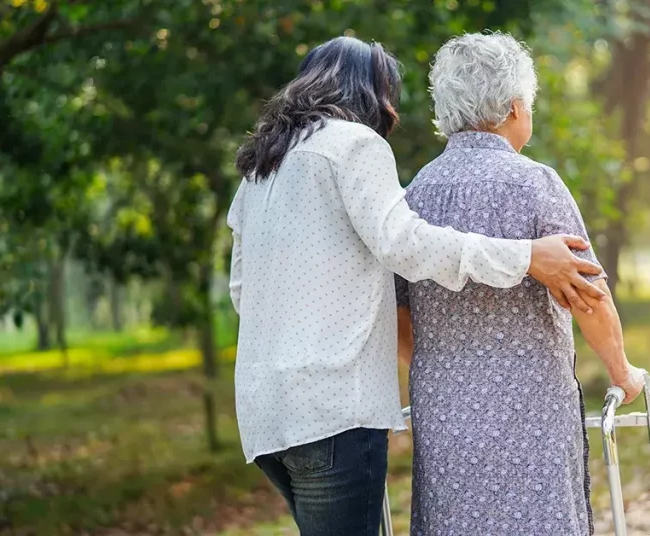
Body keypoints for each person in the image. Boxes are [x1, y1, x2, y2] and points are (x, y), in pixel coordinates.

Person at [225, 36, 606, 536]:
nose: (391, 109)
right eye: (389, 93)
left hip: (265, 413)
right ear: (369, 91)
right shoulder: (354, 144)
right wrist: (527, 256)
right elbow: (405, 244)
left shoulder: (261, 168)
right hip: (332, 409)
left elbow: (241, 291)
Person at [395, 32, 646, 535]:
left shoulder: (413, 194)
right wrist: (623, 373)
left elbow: (399, 316)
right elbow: (589, 297)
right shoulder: (535, 184)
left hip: (446, 418)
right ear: (514, 108)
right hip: (532, 416)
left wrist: (447, 370)